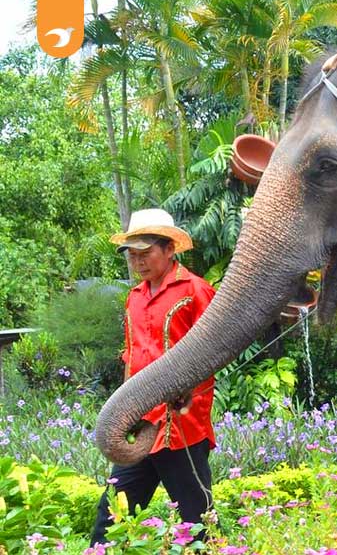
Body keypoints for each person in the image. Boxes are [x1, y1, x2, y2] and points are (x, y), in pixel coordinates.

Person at [91, 209, 216, 546]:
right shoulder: (134, 298)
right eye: (133, 255)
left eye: (145, 253)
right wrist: (126, 413)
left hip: (181, 429)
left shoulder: (195, 291)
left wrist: (190, 398)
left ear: (169, 249)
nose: (138, 262)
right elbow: (131, 358)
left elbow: (214, 353)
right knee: (113, 514)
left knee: (198, 522)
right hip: (142, 429)